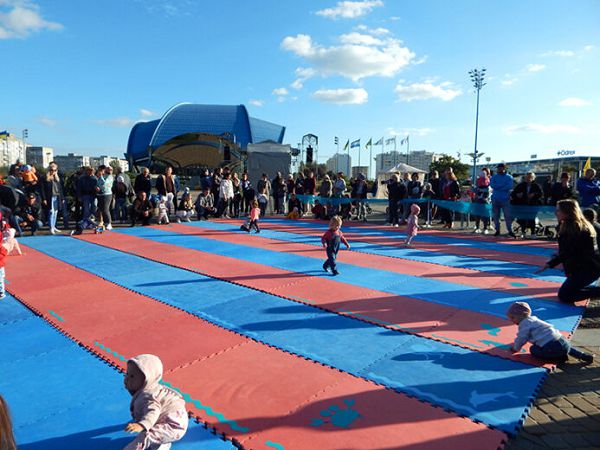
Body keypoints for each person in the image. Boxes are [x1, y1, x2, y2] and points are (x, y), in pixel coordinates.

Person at [536, 199, 600, 303]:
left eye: (558, 210)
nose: (556, 213)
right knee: (568, 292)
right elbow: (570, 250)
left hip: (588, 269)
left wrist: (550, 263)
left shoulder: (575, 228)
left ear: (567, 212)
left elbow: (570, 251)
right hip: (586, 267)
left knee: (565, 295)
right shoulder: (570, 225)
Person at [123, 354, 188, 450]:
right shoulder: (150, 387)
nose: (127, 378)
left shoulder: (148, 395)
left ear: (146, 379)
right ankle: (162, 443)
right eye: (127, 374)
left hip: (174, 426)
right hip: (174, 416)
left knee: (146, 436)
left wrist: (141, 425)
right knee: (154, 435)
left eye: (132, 376)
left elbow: (153, 410)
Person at [507, 301, 593, 363]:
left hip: (551, 346)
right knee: (567, 348)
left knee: (533, 349)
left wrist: (515, 348)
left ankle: (557, 357)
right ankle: (582, 355)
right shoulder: (534, 319)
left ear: (522, 315)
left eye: (513, 317)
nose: (512, 321)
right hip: (561, 339)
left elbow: (521, 338)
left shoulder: (524, 325)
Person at [511, 171, 543, 237]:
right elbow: (513, 193)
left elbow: (541, 194)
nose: (528, 178)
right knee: (523, 219)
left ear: (533, 178)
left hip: (533, 205)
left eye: (530, 177)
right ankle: (523, 232)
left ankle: (533, 233)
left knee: (532, 219)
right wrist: (517, 195)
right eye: (527, 177)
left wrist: (534, 194)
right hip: (522, 205)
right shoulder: (520, 185)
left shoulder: (536, 186)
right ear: (525, 178)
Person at [40, 162, 69, 234]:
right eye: (52, 170)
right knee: (51, 211)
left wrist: (62, 198)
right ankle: (51, 227)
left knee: (56, 212)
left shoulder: (57, 178)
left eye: (55, 170)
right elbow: (42, 189)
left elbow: (60, 189)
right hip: (49, 197)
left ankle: (54, 226)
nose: (53, 171)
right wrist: (44, 199)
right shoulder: (45, 178)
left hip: (57, 196)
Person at [490, 163, 515, 237]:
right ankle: (497, 230)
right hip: (495, 198)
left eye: (501, 168)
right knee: (495, 216)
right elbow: (492, 185)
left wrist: (498, 187)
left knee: (507, 216)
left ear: (504, 168)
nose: (499, 169)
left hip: (505, 199)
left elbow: (509, 186)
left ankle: (510, 231)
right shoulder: (494, 177)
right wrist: (502, 186)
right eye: (498, 168)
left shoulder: (509, 177)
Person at [472, 168, 492, 234]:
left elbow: (489, 193)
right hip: (479, 201)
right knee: (478, 215)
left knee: (485, 215)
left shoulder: (488, 185)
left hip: (485, 201)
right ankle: (478, 227)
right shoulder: (478, 185)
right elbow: (474, 191)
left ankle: (485, 228)